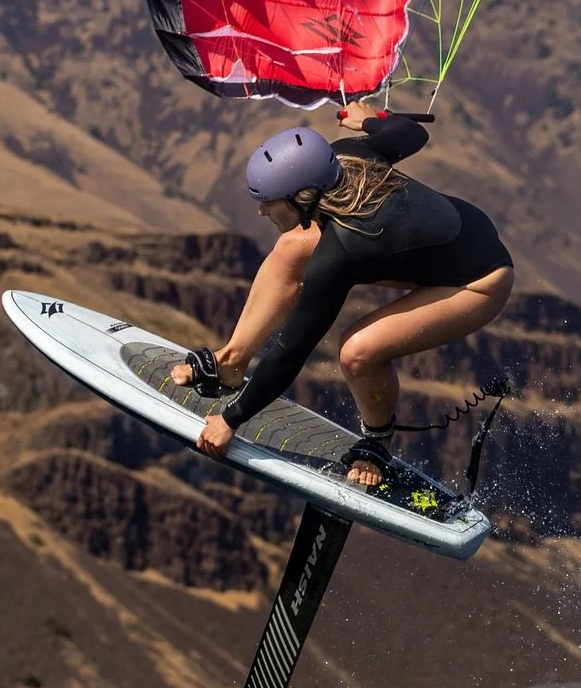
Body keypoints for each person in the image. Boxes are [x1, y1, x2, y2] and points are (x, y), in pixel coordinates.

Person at [171, 103, 514, 487]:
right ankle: (231, 363)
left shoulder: (345, 249)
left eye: (268, 200)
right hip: (453, 242)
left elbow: (291, 351)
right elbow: (413, 134)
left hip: (478, 281)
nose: (261, 211)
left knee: (357, 352)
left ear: (303, 195)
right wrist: (369, 120)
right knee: (290, 249)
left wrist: (231, 420)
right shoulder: (344, 156)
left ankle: (378, 441)